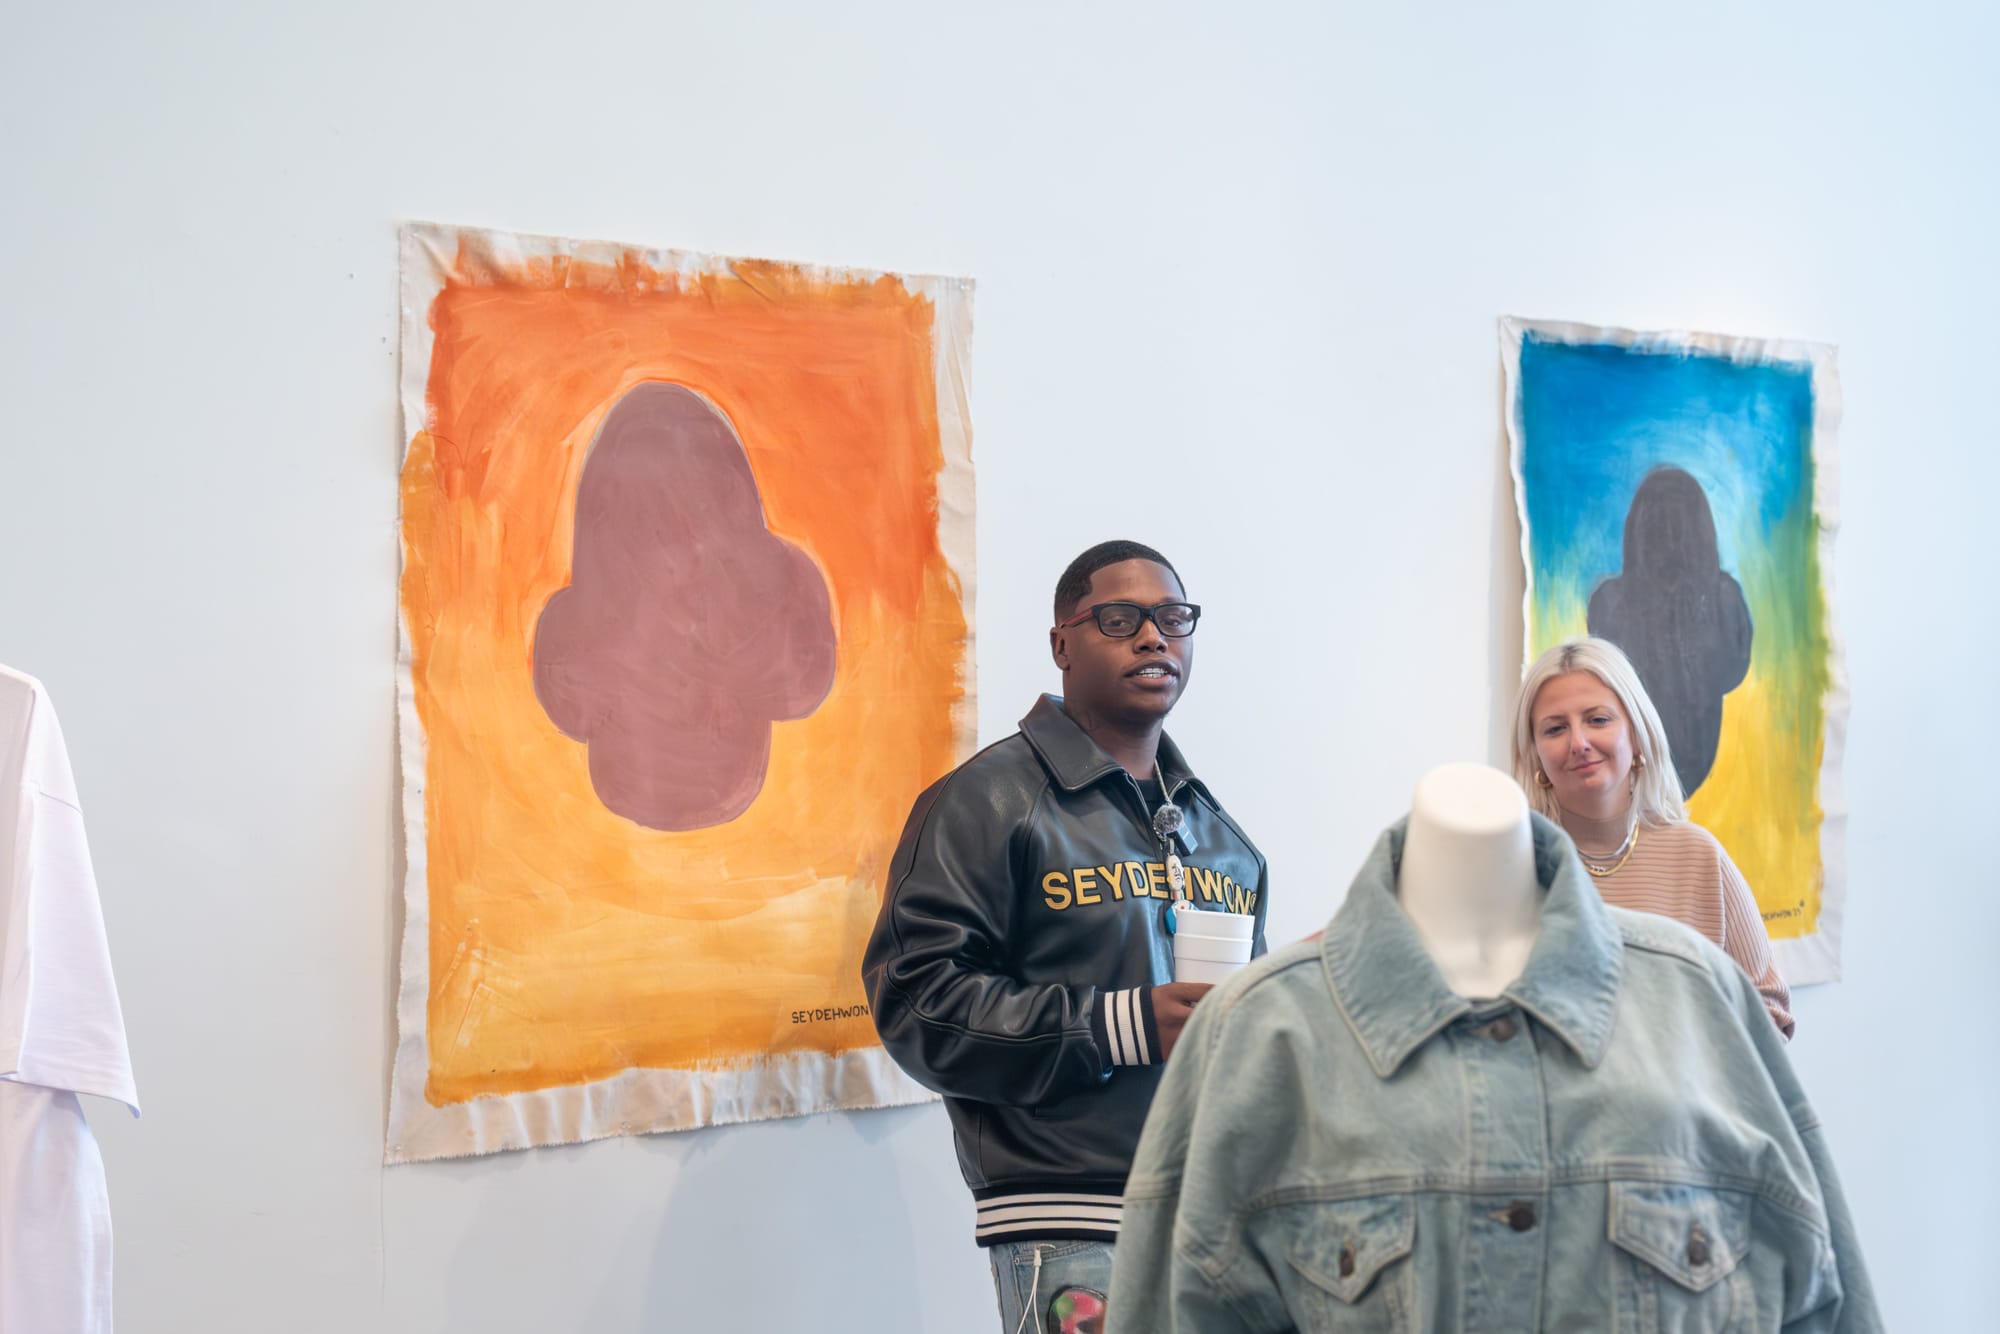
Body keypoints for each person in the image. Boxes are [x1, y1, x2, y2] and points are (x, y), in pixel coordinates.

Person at [863, 539, 1268, 1334]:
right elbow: (916, 1002)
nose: (1155, 637)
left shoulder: (1224, 840)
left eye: (1173, 618)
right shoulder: (986, 800)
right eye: (1121, 619)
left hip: (1215, 1228)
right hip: (1068, 1225)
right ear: (1061, 643)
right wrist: (1123, 1024)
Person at [1510, 636, 1794, 1035]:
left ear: (1637, 733)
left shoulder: (1697, 857)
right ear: (1535, 751)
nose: (1579, 743)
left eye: (1598, 719)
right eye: (1555, 729)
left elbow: (1772, 1013)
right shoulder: (1511, 868)